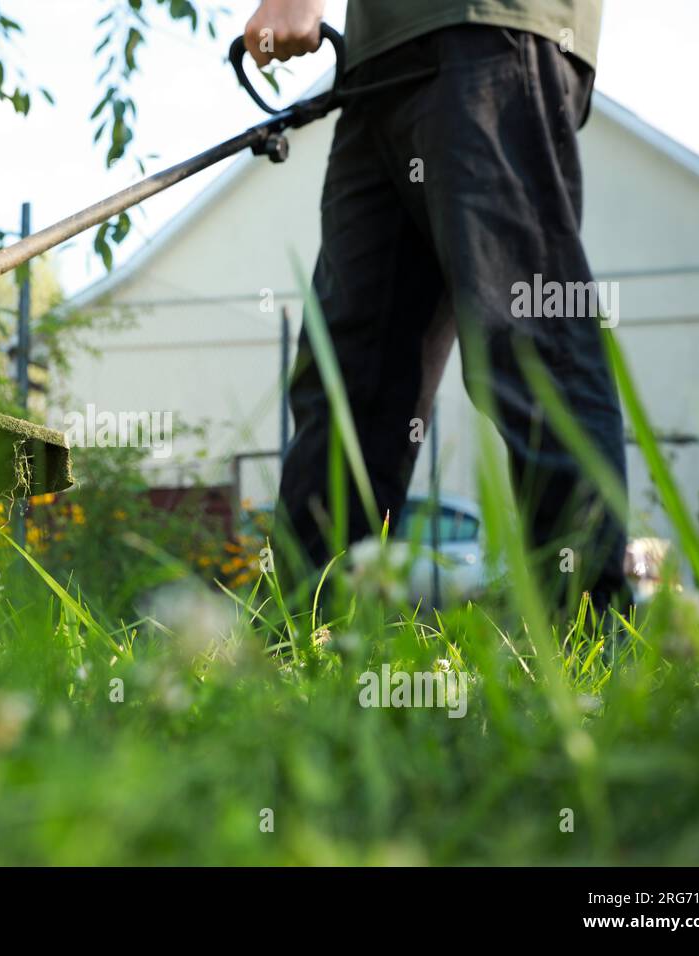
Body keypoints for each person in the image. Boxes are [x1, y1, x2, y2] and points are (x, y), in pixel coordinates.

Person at [245, 0, 629, 612]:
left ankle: (588, 636)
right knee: (349, 377)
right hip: (381, 57)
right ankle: (306, 636)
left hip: (482, 27)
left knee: (529, 339)